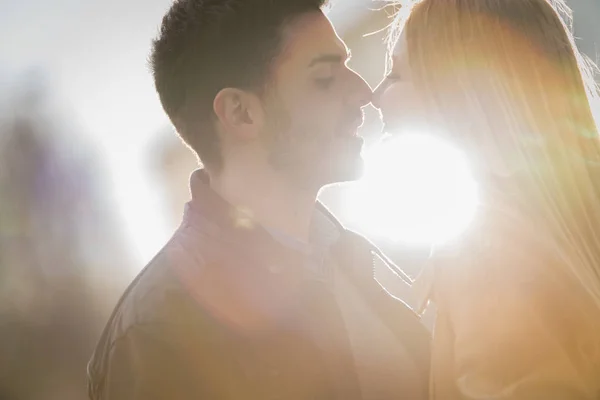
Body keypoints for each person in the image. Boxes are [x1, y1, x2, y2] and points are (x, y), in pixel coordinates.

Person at [87, 1, 431, 399]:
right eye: (325, 77)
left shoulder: (356, 260)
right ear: (241, 113)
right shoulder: (155, 335)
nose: (364, 92)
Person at [373, 0, 600, 398]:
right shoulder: (568, 222)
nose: (375, 96)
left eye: (395, 75)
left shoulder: (489, 253)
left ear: (461, 91)